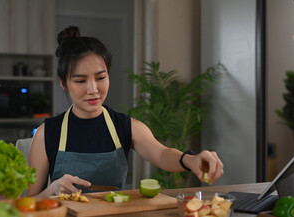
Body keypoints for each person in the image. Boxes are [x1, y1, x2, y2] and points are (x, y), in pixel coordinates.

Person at [27, 26, 224, 197]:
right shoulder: (46, 134)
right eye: (80, 81)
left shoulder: (126, 126)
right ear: (63, 83)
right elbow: (29, 202)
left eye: (100, 77)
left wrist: (191, 159)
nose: (93, 89)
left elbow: (162, 154)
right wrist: (52, 190)